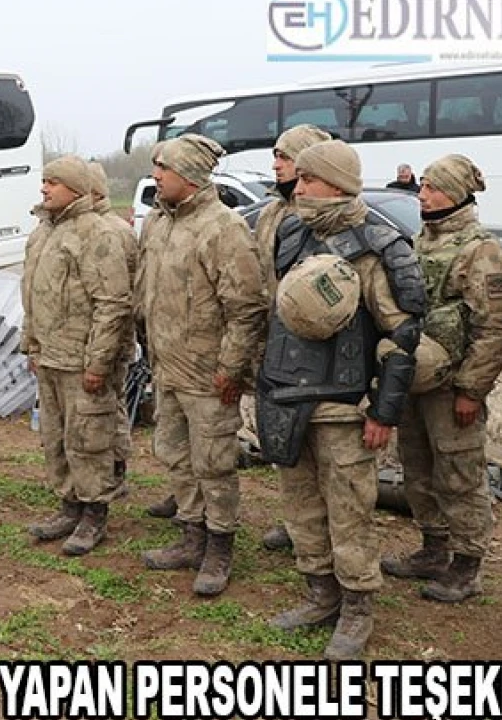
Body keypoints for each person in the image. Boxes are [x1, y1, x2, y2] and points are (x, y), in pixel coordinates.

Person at [258, 139, 425, 659]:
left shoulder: (378, 246)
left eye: (309, 179)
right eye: (300, 178)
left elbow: (402, 335)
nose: (299, 187)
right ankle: (320, 594)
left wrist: (383, 411)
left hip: (344, 406)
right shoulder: (293, 234)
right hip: (289, 395)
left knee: (349, 511)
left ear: (336, 184)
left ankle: (356, 607)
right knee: (301, 508)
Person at [381, 154, 502, 604]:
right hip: (416, 378)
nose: (423, 195)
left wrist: (471, 390)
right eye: (422, 186)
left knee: (459, 474)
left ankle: (466, 563)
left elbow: (497, 328)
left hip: (453, 384)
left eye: (433, 188)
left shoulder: (482, 250)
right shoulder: (418, 243)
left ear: (457, 194)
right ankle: (433, 547)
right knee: (417, 465)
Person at [135, 135, 266, 596]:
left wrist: (230, 370)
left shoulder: (223, 228)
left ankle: (219, 545)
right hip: (167, 367)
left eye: (163, 168)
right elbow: (145, 289)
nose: (155, 176)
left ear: (189, 175)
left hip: (209, 375)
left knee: (214, 463)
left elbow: (246, 309)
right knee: (174, 453)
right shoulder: (157, 222)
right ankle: (192, 535)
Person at [22, 156, 132, 556]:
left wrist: (98, 362)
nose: (44, 188)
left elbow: (112, 303)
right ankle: (69, 505)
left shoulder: (96, 233)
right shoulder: (43, 233)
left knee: (88, 440)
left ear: (75, 188)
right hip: (49, 357)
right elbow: (32, 293)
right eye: (44, 180)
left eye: (52, 182)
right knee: (55, 438)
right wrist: (31, 343)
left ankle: (94, 513)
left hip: (80, 359)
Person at [240, 123, 333, 550]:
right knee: (284, 438)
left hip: (315, 351)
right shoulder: (272, 214)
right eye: (275, 156)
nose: (276, 165)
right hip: (276, 342)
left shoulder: (325, 215)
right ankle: (299, 523)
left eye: (286, 157)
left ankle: (327, 528)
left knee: (324, 446)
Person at [89, 161, 138, 483]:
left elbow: (122, 294)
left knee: (110, 404)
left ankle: (116, 468)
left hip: (113, 337)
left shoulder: (114, 232)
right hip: (98, 338)